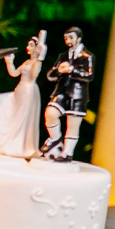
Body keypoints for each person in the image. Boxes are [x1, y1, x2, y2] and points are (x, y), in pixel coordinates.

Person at [0, 33, 47, 158]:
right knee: (0, 99)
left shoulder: (35, 62)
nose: (28, 47)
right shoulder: (27, 61)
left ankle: (21, 145)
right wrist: (9, 62)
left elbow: (35, 74)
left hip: (29, 90)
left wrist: (40, 58)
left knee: (23, 117)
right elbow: (15, 73)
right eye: (28, 45)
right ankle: (10, 142)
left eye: (31, 45)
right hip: (20, 89)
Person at [42, 26, 94, 162]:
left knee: (73, 124)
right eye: (66, 38)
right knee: (50, 113)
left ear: (79, 38)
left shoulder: (87, 57)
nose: (68, 41)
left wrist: (71, 69)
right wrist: (59, 70)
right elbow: (51, 75)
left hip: (77, 95)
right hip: (61, 91)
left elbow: (89, 75)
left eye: (71, 37)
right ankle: (55, 139)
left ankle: (67, 153)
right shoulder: (63, 56)